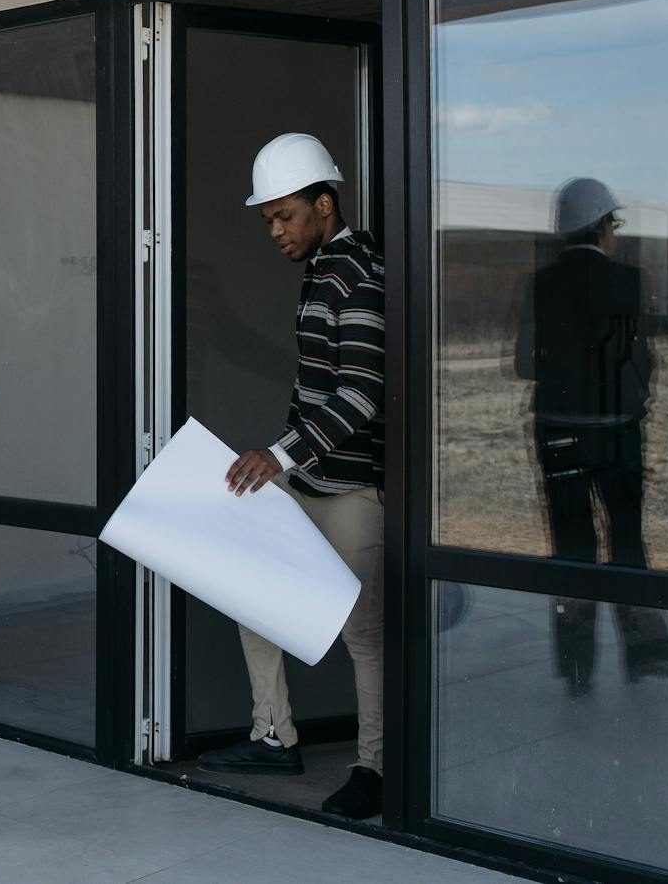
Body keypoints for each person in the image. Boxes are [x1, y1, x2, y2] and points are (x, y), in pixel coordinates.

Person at [200, 133, 388, 821]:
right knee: (248, 575)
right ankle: (273, 734)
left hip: (353, 488)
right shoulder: (322, 266)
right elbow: (315, 396)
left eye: (285, 215)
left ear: (325, 203)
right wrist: (275, 453)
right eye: (268, 220)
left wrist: (278, 456)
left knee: (364, 637)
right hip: (310, 475)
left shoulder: (357, 272)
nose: (275, 230)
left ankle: (375, 769)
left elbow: (361, 394)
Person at [512, 177, 668, 696]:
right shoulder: (629, 281)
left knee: (572, 548)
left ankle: (577, 666)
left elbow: (523, 363)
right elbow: (641, 361)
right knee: (627, 541)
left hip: (559, 436)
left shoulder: (540, 286)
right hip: (618, 437)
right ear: (605, 226)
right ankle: (645, 655)